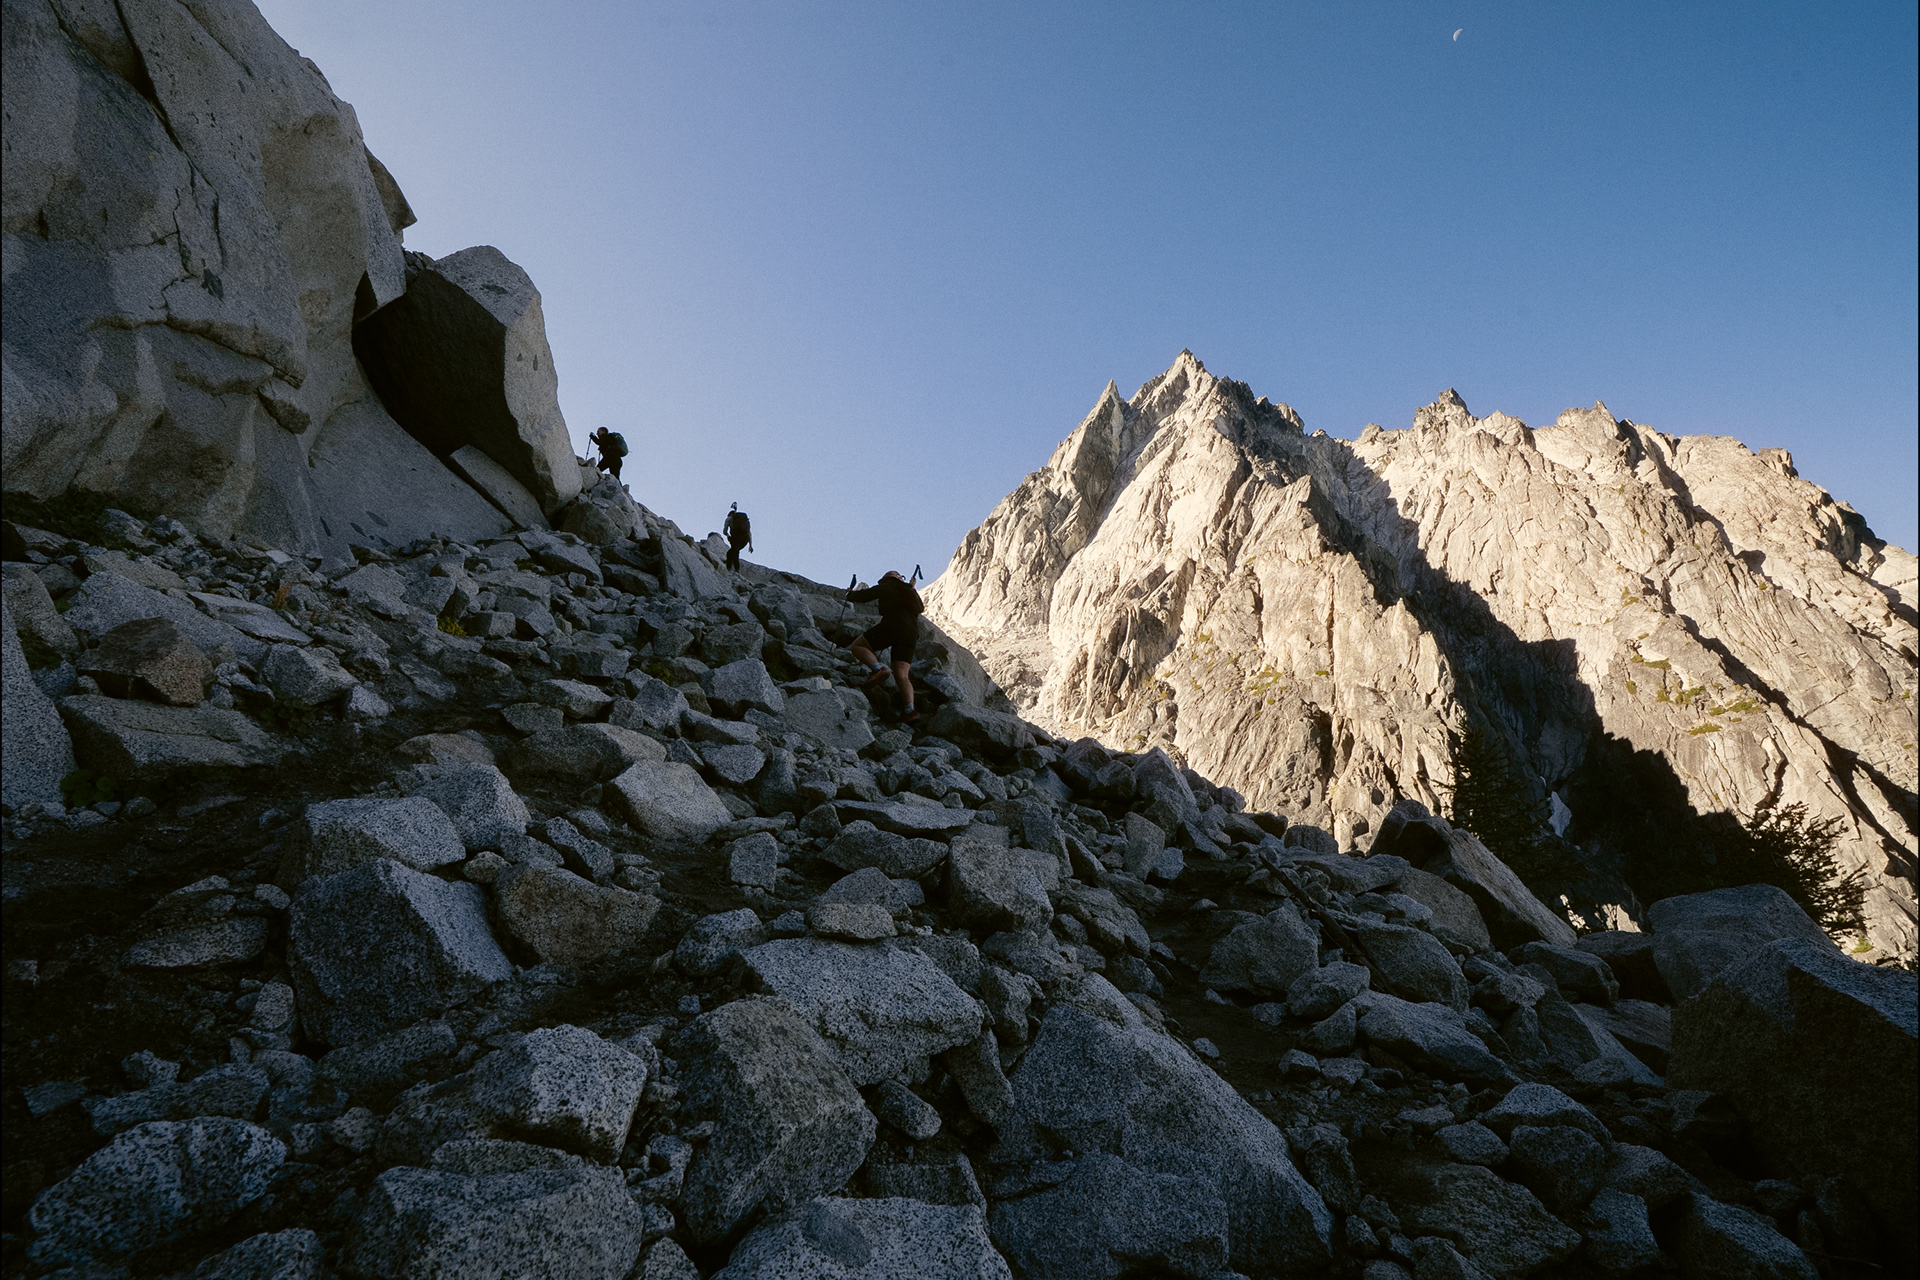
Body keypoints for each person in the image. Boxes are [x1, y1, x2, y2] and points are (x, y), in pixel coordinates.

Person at [847, 569, 924, 723]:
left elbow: (868, 595)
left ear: (888, 579)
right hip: (912, 632)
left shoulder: (890, 586)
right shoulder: (911, 593)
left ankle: (878, 669)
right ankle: (909, 710)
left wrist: (850, 595)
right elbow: (921, 608)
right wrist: (912, 588)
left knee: (858, 646)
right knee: (902, 674)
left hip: (894, 623)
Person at [723, 503, 753, 571]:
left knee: (735, 552)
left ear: (730, 514)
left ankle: (734, 569)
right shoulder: (744, 521)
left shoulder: (729, 519)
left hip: (736, 537)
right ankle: (730, 565)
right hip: (745, 540)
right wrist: (750, 545)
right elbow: (749, 533)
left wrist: (728, 535)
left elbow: (724, 531)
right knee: (731, 552)